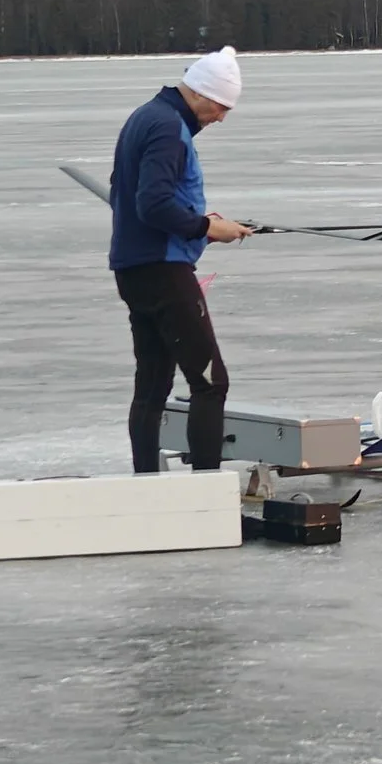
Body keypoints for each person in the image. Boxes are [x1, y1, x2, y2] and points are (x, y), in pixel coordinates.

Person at [110, 47, 253, 472]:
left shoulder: (146, 116)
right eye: (221, 107)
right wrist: (207, 228)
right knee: (210, 383)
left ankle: (147, 483)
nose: (221, 118)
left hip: (134, 269)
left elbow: (126, 188)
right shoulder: (169, 127)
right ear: (201, 93)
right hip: (163, 272)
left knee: (152, 385)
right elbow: (153, 204)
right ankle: (205, 489)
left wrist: (197, 221)